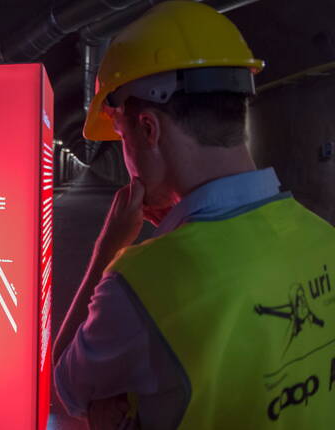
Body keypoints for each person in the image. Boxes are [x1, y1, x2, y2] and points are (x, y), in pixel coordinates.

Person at [52, 2, 335, 429]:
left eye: (123, 135)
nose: (126, 156)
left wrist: (108, 248)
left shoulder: (141, 284)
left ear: (148, 130)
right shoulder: (321, 235)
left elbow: (65, 389)